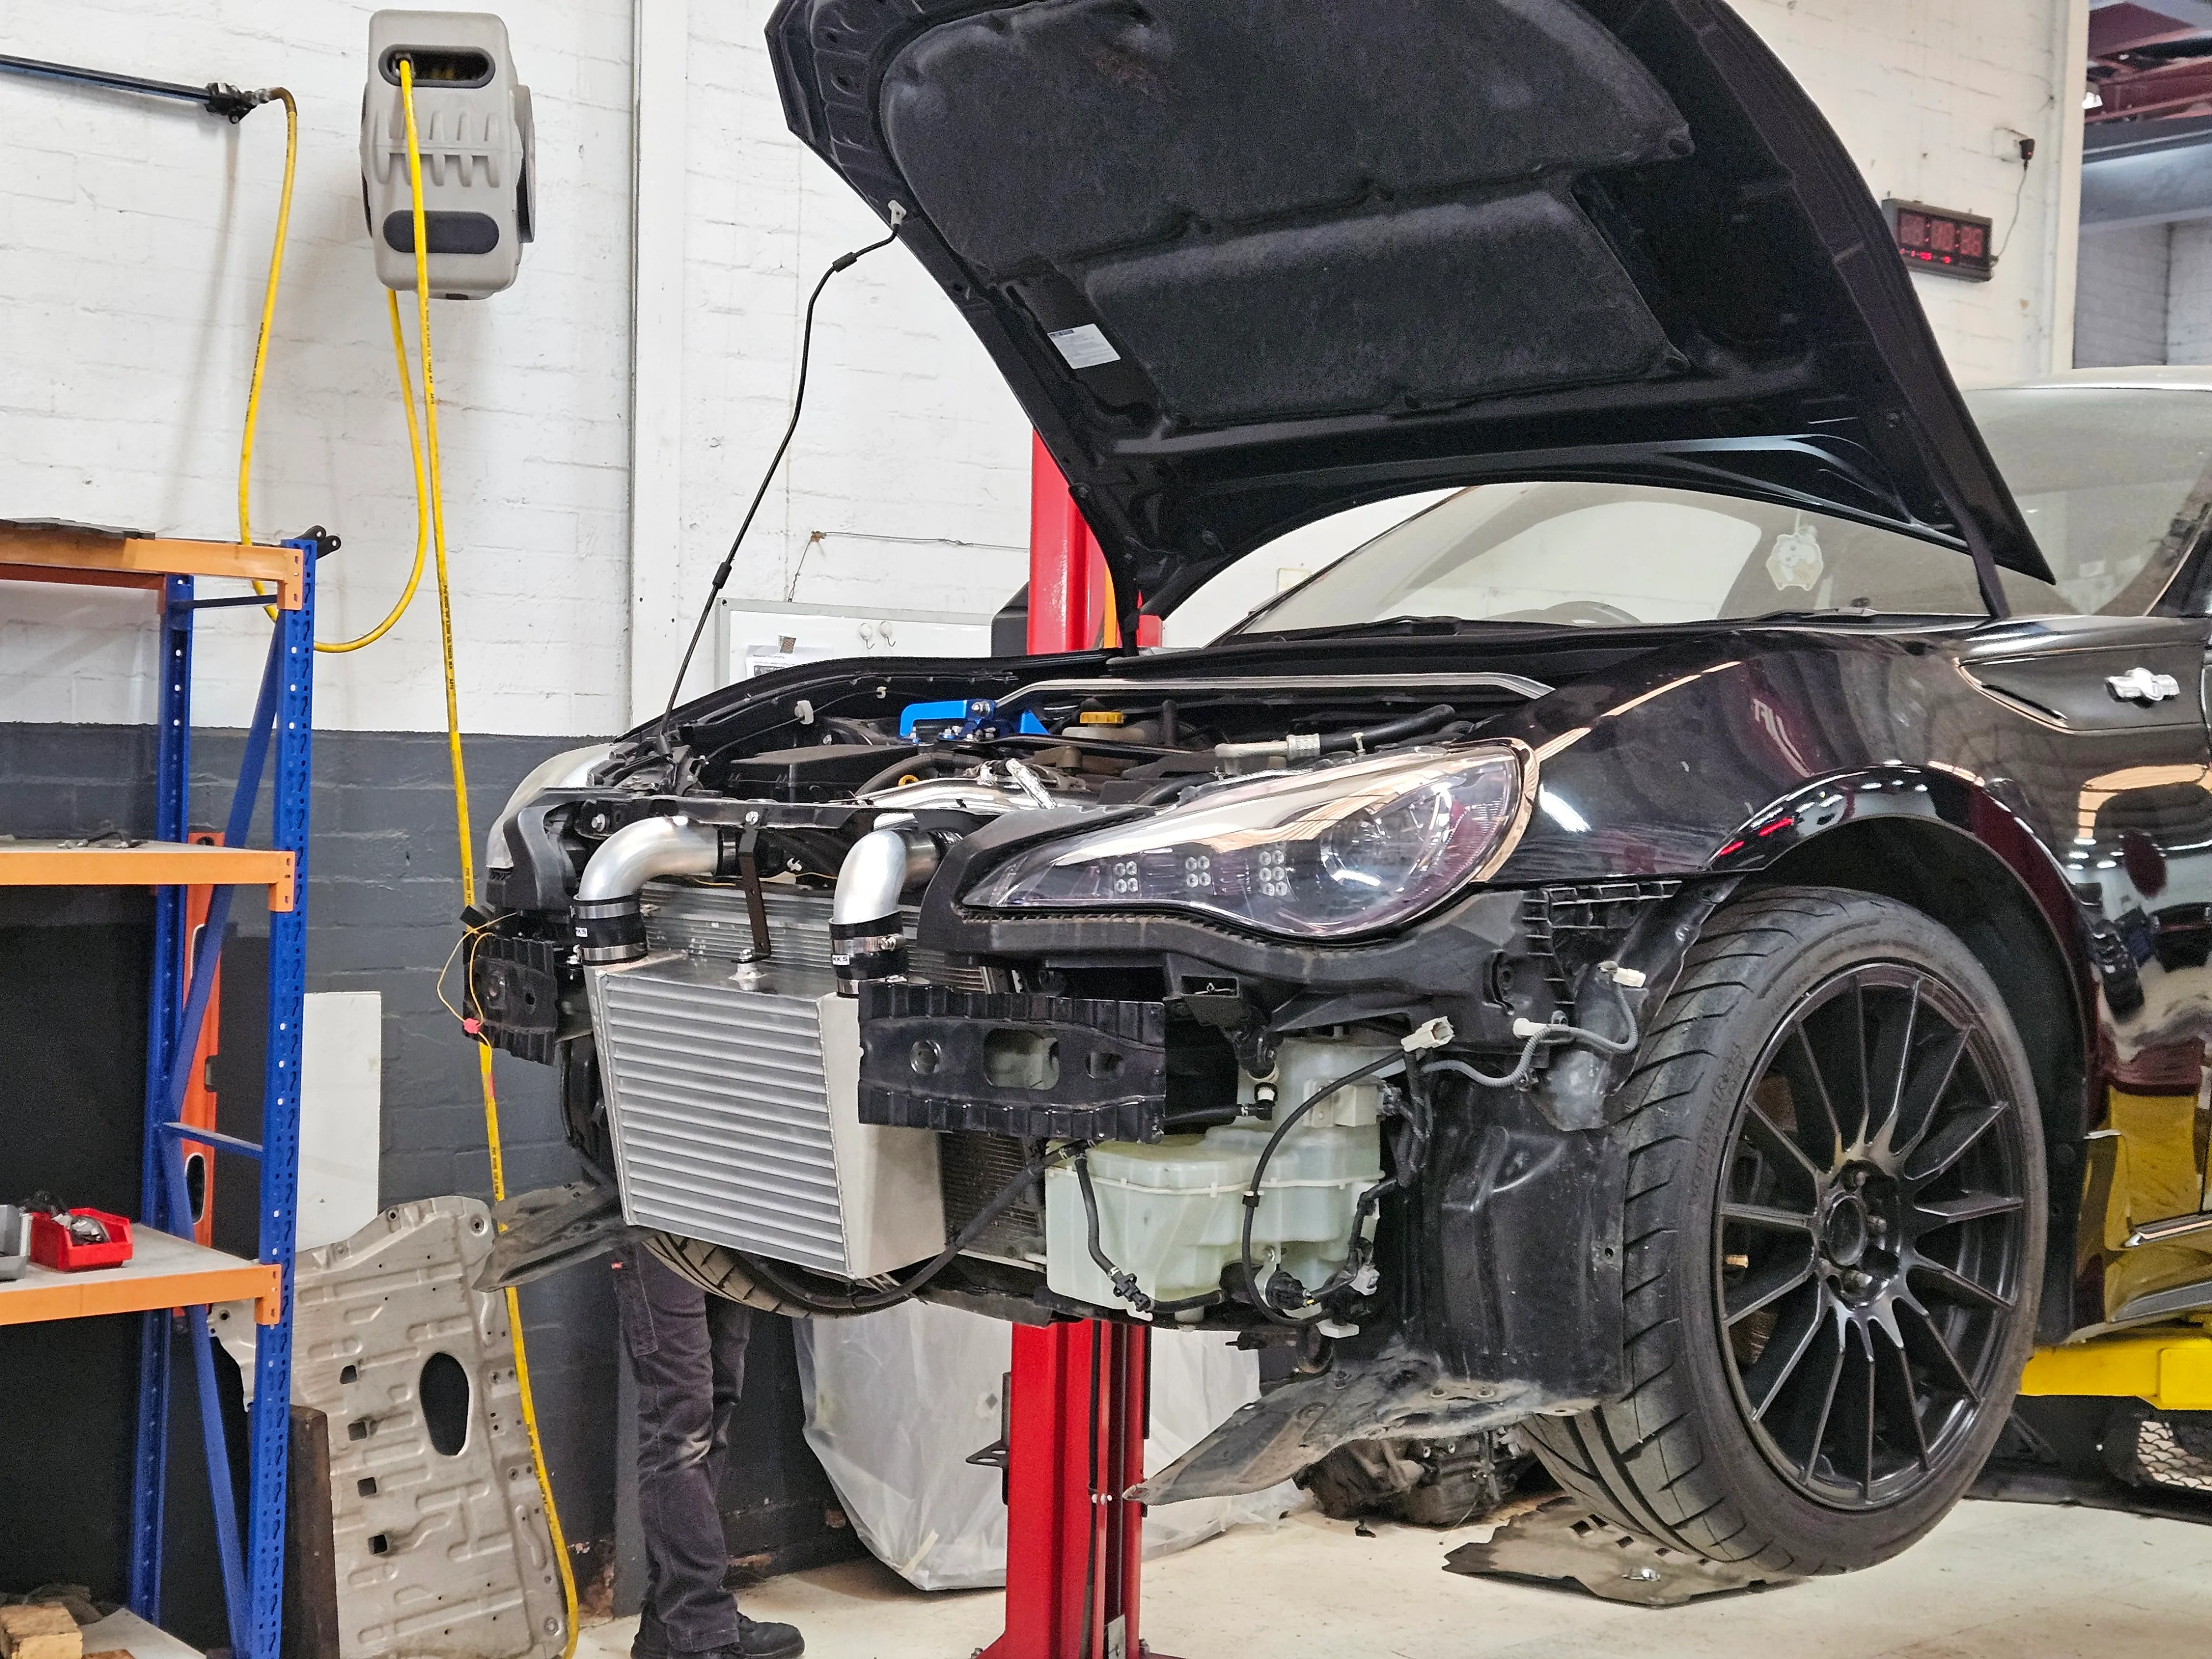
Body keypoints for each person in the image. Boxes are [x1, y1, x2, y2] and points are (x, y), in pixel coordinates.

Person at [611, 1244, 806, 1659]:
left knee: (718, 1402)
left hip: (724, 1218)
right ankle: (699, 1626)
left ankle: (672, 1623)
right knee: (679, 1427)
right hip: (652, 1220)